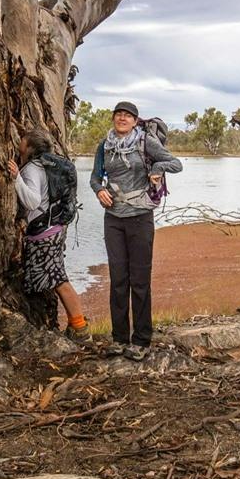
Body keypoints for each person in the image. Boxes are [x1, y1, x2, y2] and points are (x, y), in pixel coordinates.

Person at [91, 101, 182, 360]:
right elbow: (95, 177)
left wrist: (156, 169)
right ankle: (119, 339)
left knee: (140, 281)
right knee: (118, 279)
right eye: (118, 114)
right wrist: (99, 190)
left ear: (135, 121)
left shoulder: (145, 143)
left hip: (140, 217)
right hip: (113, 219)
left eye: (127, 115)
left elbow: (175, 163)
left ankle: (141, 340)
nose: (122, 118)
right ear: (113, 119)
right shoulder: (104, 146)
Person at [12, 129, 89, 340]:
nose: (19, 143)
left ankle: (80, 329)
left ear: (29, 147)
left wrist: (17, 178)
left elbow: (33, 202)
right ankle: (78, 327)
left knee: (58, 280)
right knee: (57, 278)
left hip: (43, 234)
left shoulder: (32, 169)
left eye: (23, 141)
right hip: (55, 229)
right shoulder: (50, 165)